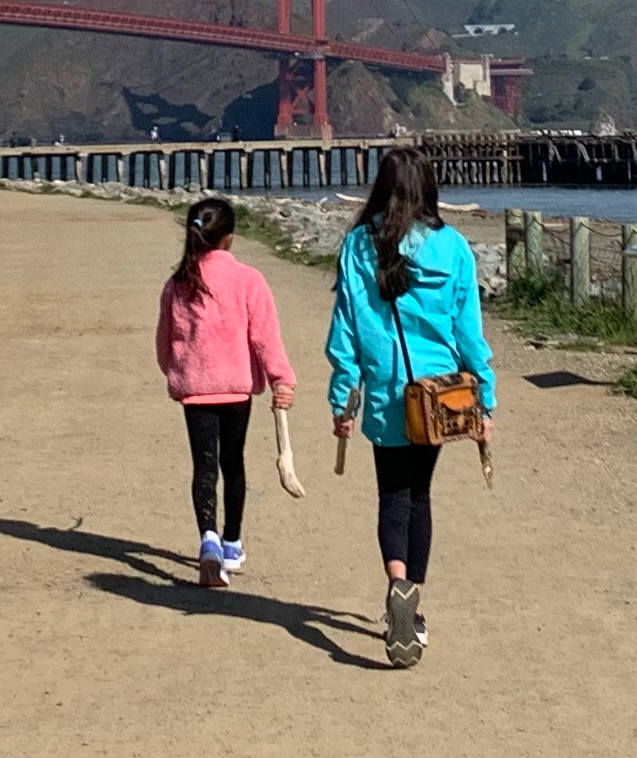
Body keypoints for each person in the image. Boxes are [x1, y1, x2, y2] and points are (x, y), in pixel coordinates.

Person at [324, 146, 495, 668]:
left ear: (382, 187)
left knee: (392, 495)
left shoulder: (358, 245)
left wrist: (341, 398)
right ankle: (413, 602)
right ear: (428, 188)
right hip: (439, 397)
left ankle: (395, 582)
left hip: (384, 394)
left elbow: (346, 330)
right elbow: (469, 334)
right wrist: (484, 398)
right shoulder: (453, 248)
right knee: (421, 496)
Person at [153, 193, 299, 589]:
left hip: (196, 389)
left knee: (203, 465)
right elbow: (265, 338)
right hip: (235, 388)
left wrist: (176, 372)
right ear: (229, 239)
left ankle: (208, 539)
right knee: (233, 464)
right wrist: (280, 379)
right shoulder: (248, 279)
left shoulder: (177, 283)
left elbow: (165, 342)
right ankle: (232, 544)